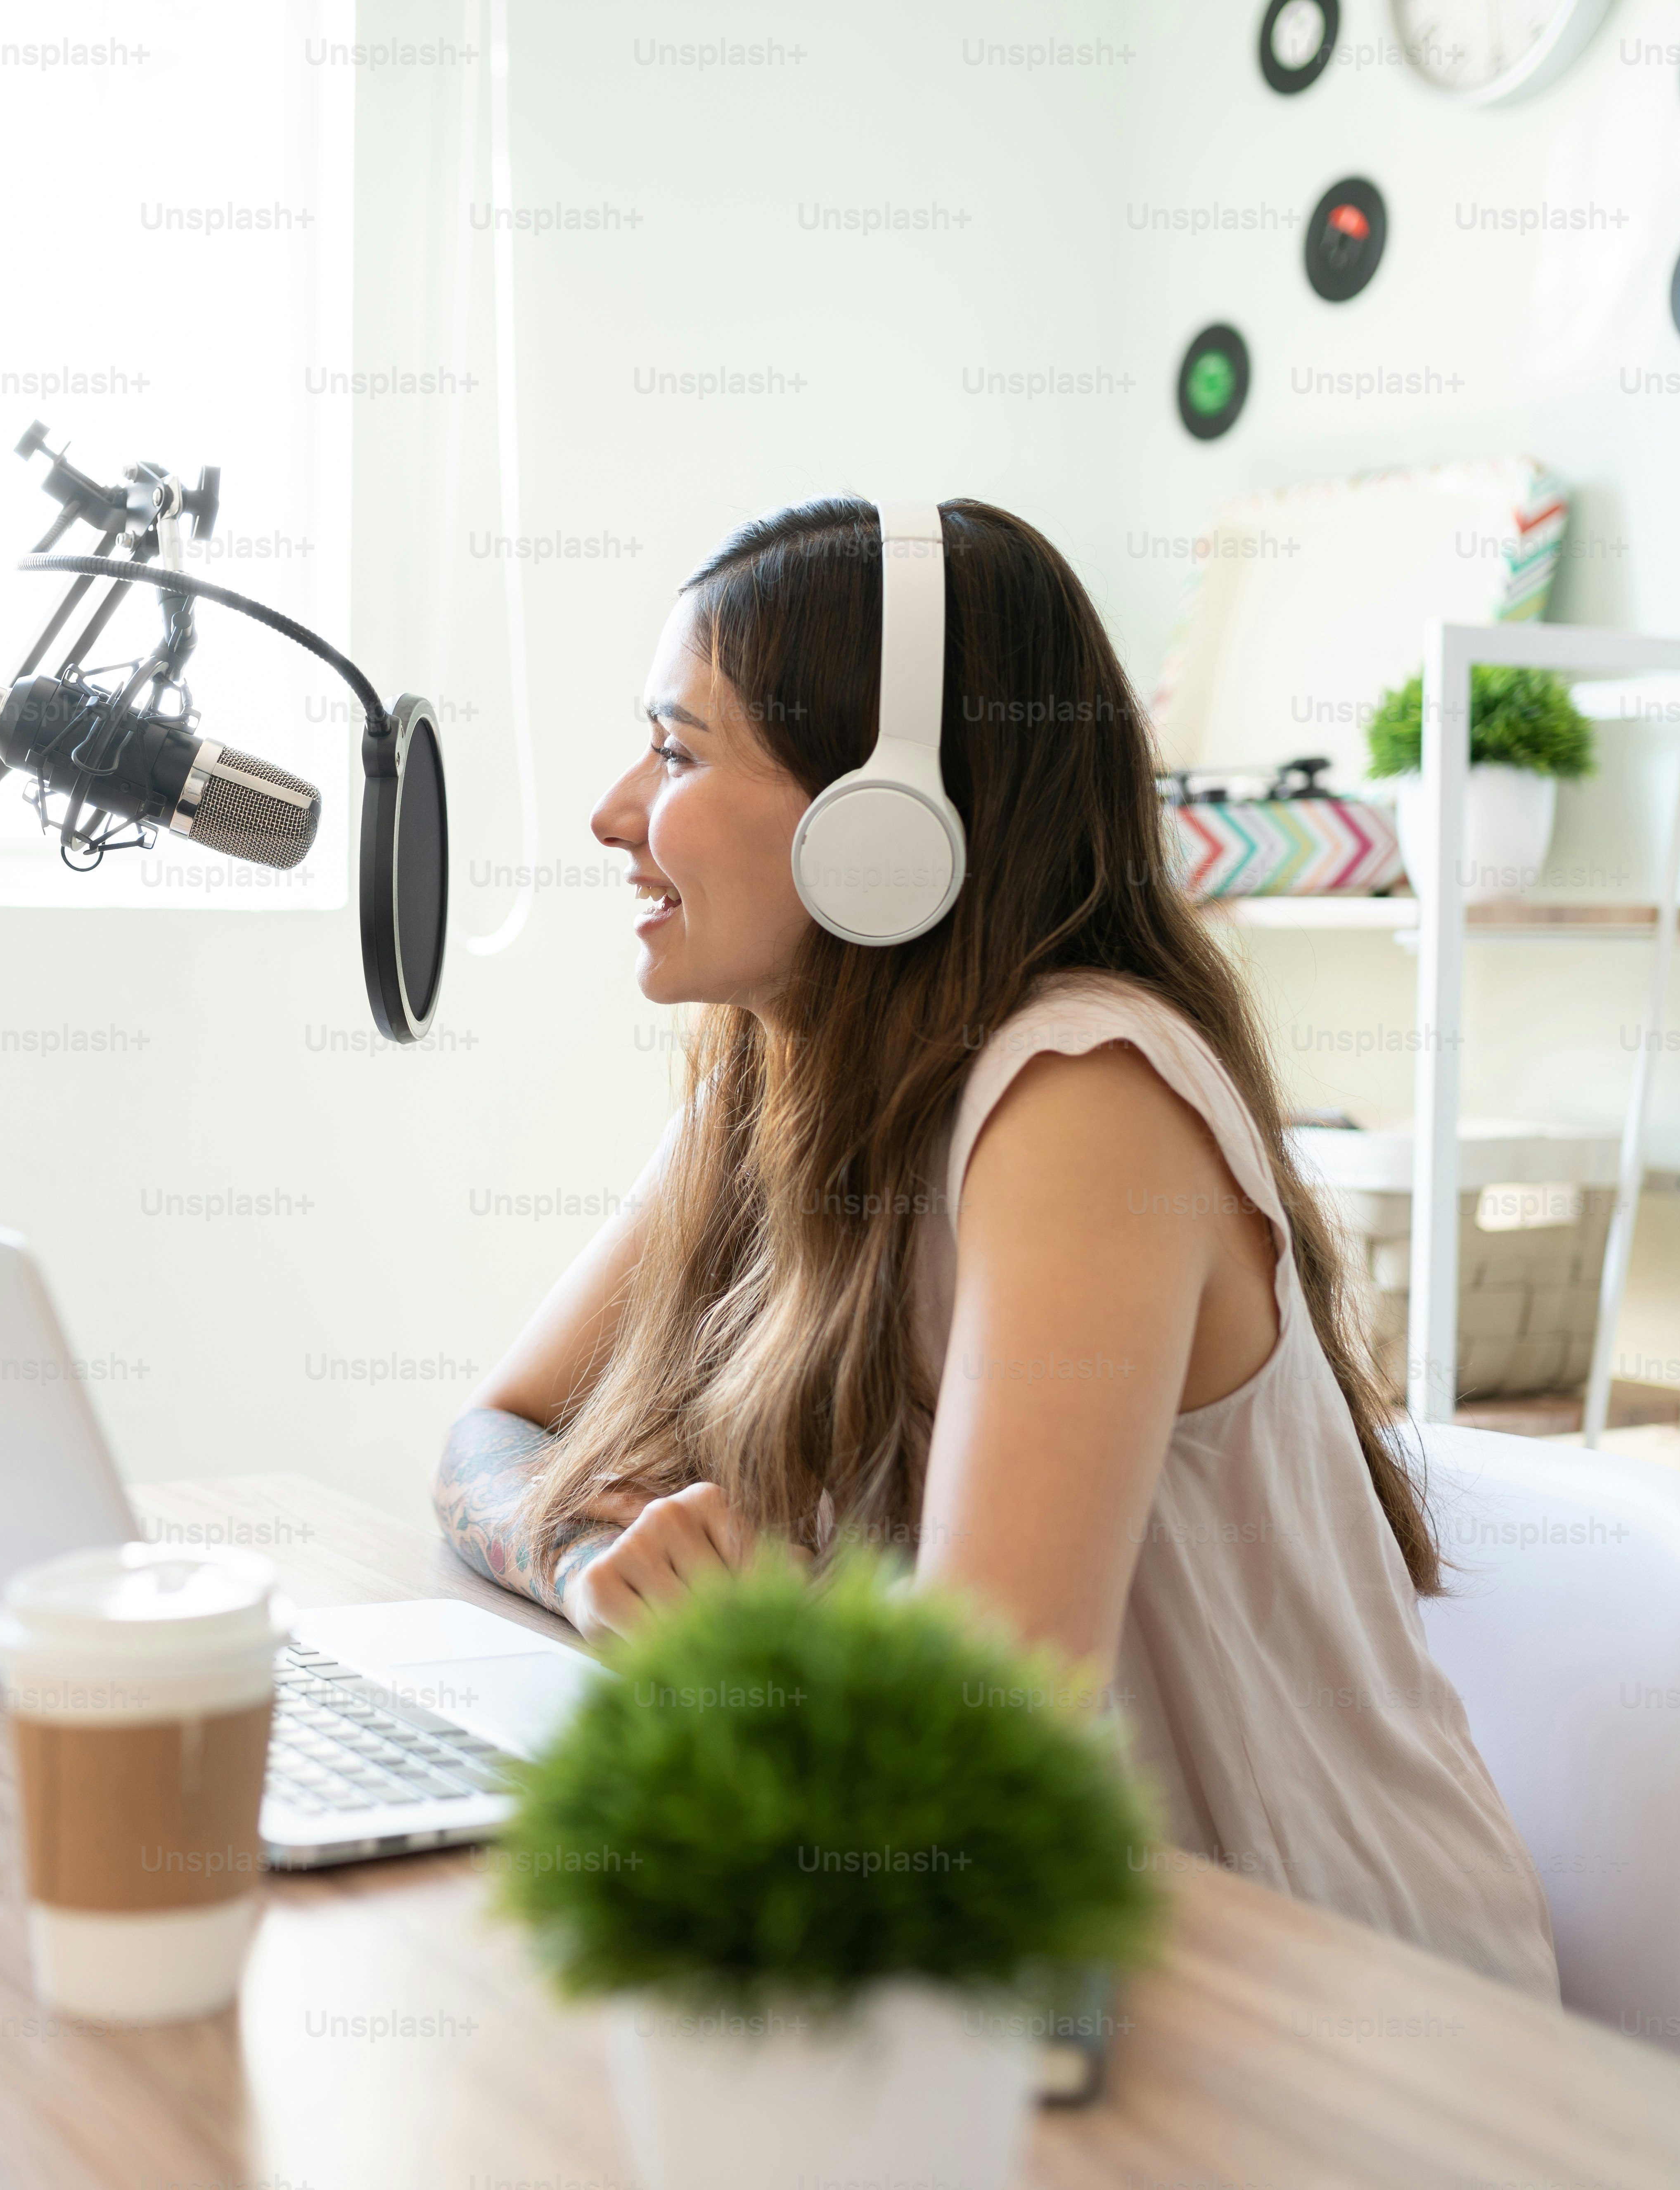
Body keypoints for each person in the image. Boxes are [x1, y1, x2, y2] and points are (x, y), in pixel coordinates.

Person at [431, 495, 1559, 1997]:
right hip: (1039, 1973)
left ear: (881, 824)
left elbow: (974, 1739)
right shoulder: (778, 1076)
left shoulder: (1080, 1096)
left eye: (681, 750)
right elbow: (490, 1430)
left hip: (1328, 2021)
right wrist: (591, 1564)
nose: (616, 810)